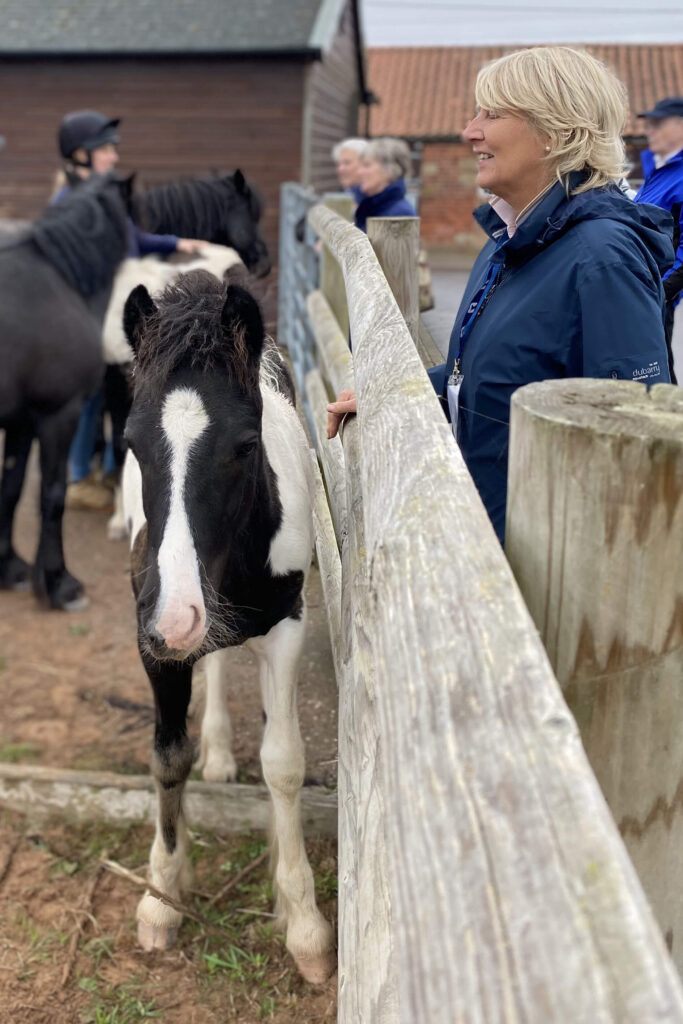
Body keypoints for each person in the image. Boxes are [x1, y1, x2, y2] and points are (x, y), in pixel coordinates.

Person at [328, 47, 673, 546]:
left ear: (558, 131)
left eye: (491, 114)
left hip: (547, 571)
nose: (470, 131)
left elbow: (635, 441)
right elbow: (485, 376)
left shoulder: (602, 258)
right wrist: (394, 396)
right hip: (491, 537)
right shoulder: (509, 239)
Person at [55, 110, 203, 509]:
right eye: (105, 149)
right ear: (81, 154)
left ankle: (107, 470)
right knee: (90, 400)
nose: (113, 157)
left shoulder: (104, 195)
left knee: (115, 397)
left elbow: (132, 239)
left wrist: (176, 242)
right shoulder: (70, 203)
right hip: (93, 318)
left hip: (115, 312)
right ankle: (80, 478)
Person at [633, 96, 683, 384]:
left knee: (655, 370)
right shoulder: (657, 169)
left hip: (655, 291)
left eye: (658, 124)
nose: (649, 130)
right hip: (640, 286)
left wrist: (663, 289)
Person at [354, 136, 415, 231]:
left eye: (367, 165)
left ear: (390, 170)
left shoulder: (399, 215)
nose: (359, 172)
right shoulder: (372, 207)